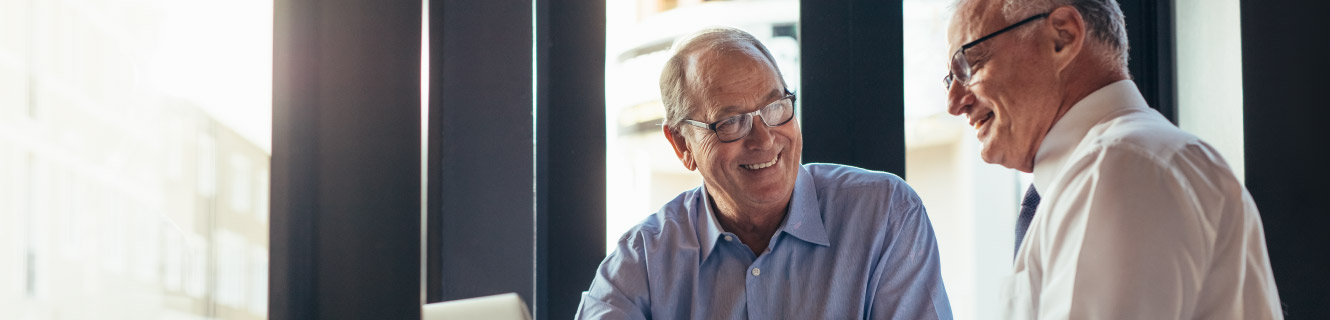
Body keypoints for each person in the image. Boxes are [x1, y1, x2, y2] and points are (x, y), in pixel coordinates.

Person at [576, 27, 952, 320]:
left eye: (775, 106)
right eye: (730, 122)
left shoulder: (886, 213)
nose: (764, 138)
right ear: (682, 145)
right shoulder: (641, 259)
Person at [944, 0, 1282, 318]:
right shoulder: (1124, 164)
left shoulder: (1118, 167)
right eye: (950, 79)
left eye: (969, 64)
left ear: (1063, 36)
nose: (954, 102)